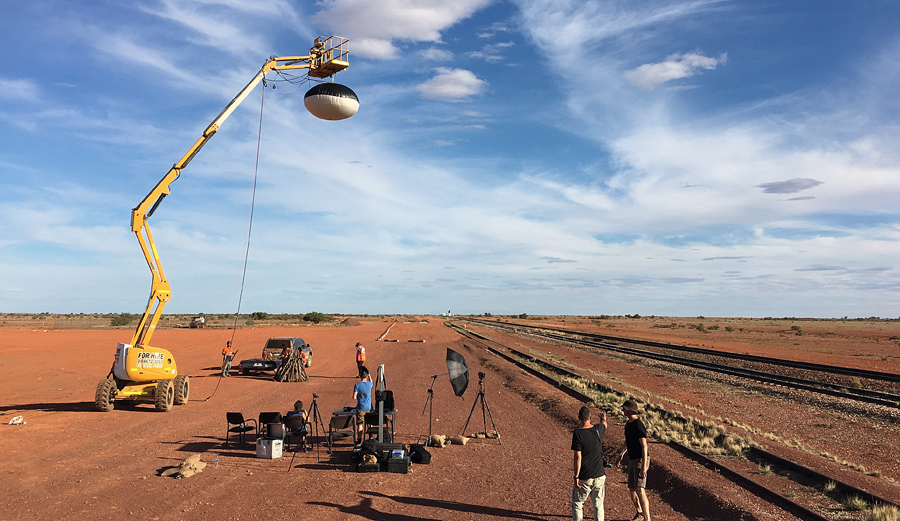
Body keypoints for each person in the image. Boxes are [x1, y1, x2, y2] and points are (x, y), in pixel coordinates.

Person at [571, 405, 607, 521]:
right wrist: (603, 418)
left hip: (585, 476)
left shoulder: (578, 434)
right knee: (598, 505)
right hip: (600, 475)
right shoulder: (598, 430)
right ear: (590, 418)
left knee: (578, 503)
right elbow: (604, 425)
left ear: (579, 418)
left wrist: (576, 476)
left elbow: (577, 457)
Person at [621, 400, 650, 521]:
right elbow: (627, 442)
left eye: (624, 409)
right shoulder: (628, 424)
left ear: (630, 410)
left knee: (639, 489)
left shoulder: (638, 425)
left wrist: (643, 467)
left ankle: (647, 519)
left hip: (640, 459)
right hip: (632, 458)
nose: (623, 410)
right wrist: (620, 455)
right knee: (632, 489)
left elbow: (644, 446)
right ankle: (639, 512)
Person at [352, 366, 373, 441]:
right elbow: (371, 381)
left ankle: (359, 439)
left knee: (360, 424)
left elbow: (354, 397)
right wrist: (369, 374)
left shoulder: (357, 385)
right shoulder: (369, 384)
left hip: (361, 407)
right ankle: (371, 437)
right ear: (366, 376)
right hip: (369, 407)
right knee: (369, 423)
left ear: (360, 376)